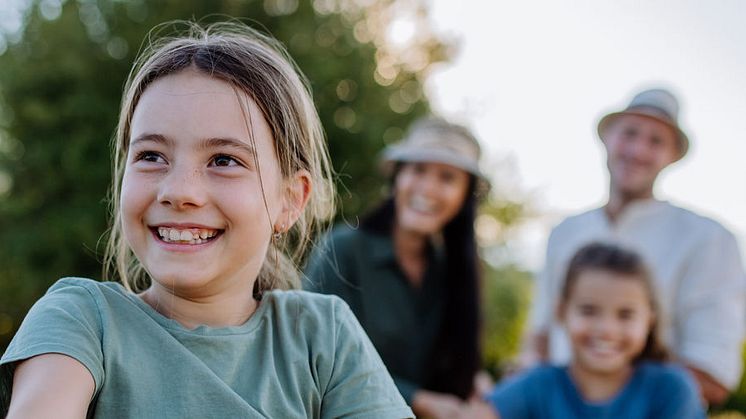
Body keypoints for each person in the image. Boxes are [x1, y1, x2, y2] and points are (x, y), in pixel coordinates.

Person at [0, 21, 413, 418]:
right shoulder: (80, 320)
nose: (179, 191)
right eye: (151, 156)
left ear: (290, 199)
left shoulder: (324, 337)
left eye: (224, 160)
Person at [523, 88, 746, 404]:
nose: (639, 150)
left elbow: (714, 372)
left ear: (672, 155)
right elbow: (540, 338)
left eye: (656, 141)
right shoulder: (565, 232)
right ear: (608, 138)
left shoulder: (710, 240)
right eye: (630, 133)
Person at [304, 117, 490, 418]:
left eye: (447, 177)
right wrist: (417, 399)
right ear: (397, 178)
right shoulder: (343, 249)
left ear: (464, 197)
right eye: (418, 170)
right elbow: (313, 354)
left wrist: (474, 382)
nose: (428, 188)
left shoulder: (453, 272)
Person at [461, 242, 705, 419]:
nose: (607, 330)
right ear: (561, 312)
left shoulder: (672, 390)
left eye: (625, 315)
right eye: (589, 311)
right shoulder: (536, 386)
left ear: (649, 320)